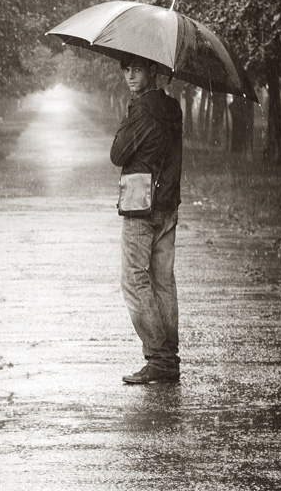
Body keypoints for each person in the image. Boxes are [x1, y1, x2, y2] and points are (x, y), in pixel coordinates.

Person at [110, 53, 183, 384]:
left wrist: (130, 113)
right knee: (163, 281)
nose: (129, 76)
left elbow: (117, 154)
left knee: (134, 281)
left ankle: (159, 357)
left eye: (136, 69)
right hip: (168, 205)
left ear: (152, 71)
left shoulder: (140, 109)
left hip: (141, 206)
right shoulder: (173, 108)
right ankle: (170, 358)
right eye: (126, 70)